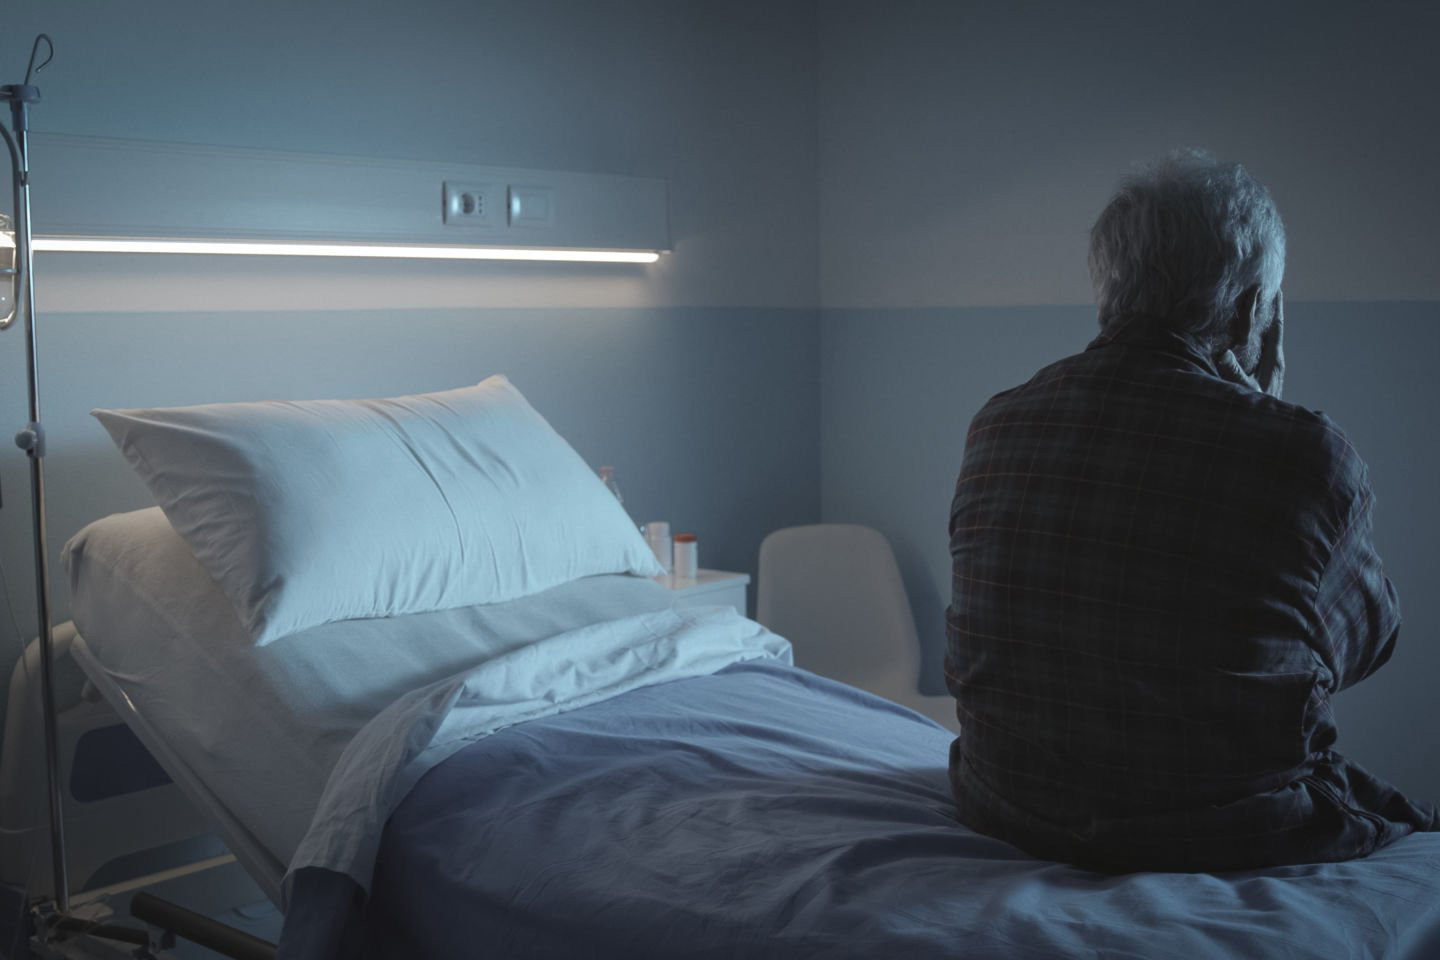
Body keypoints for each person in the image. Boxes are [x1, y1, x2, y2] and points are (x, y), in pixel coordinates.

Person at [944, 149, 1437, 872]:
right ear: (1248, 309)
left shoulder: (998, 423)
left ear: (1112, 288)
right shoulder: (1303, 454)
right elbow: (1367, 644)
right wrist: (1263, 417)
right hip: (1218, 830)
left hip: (1006, 803)